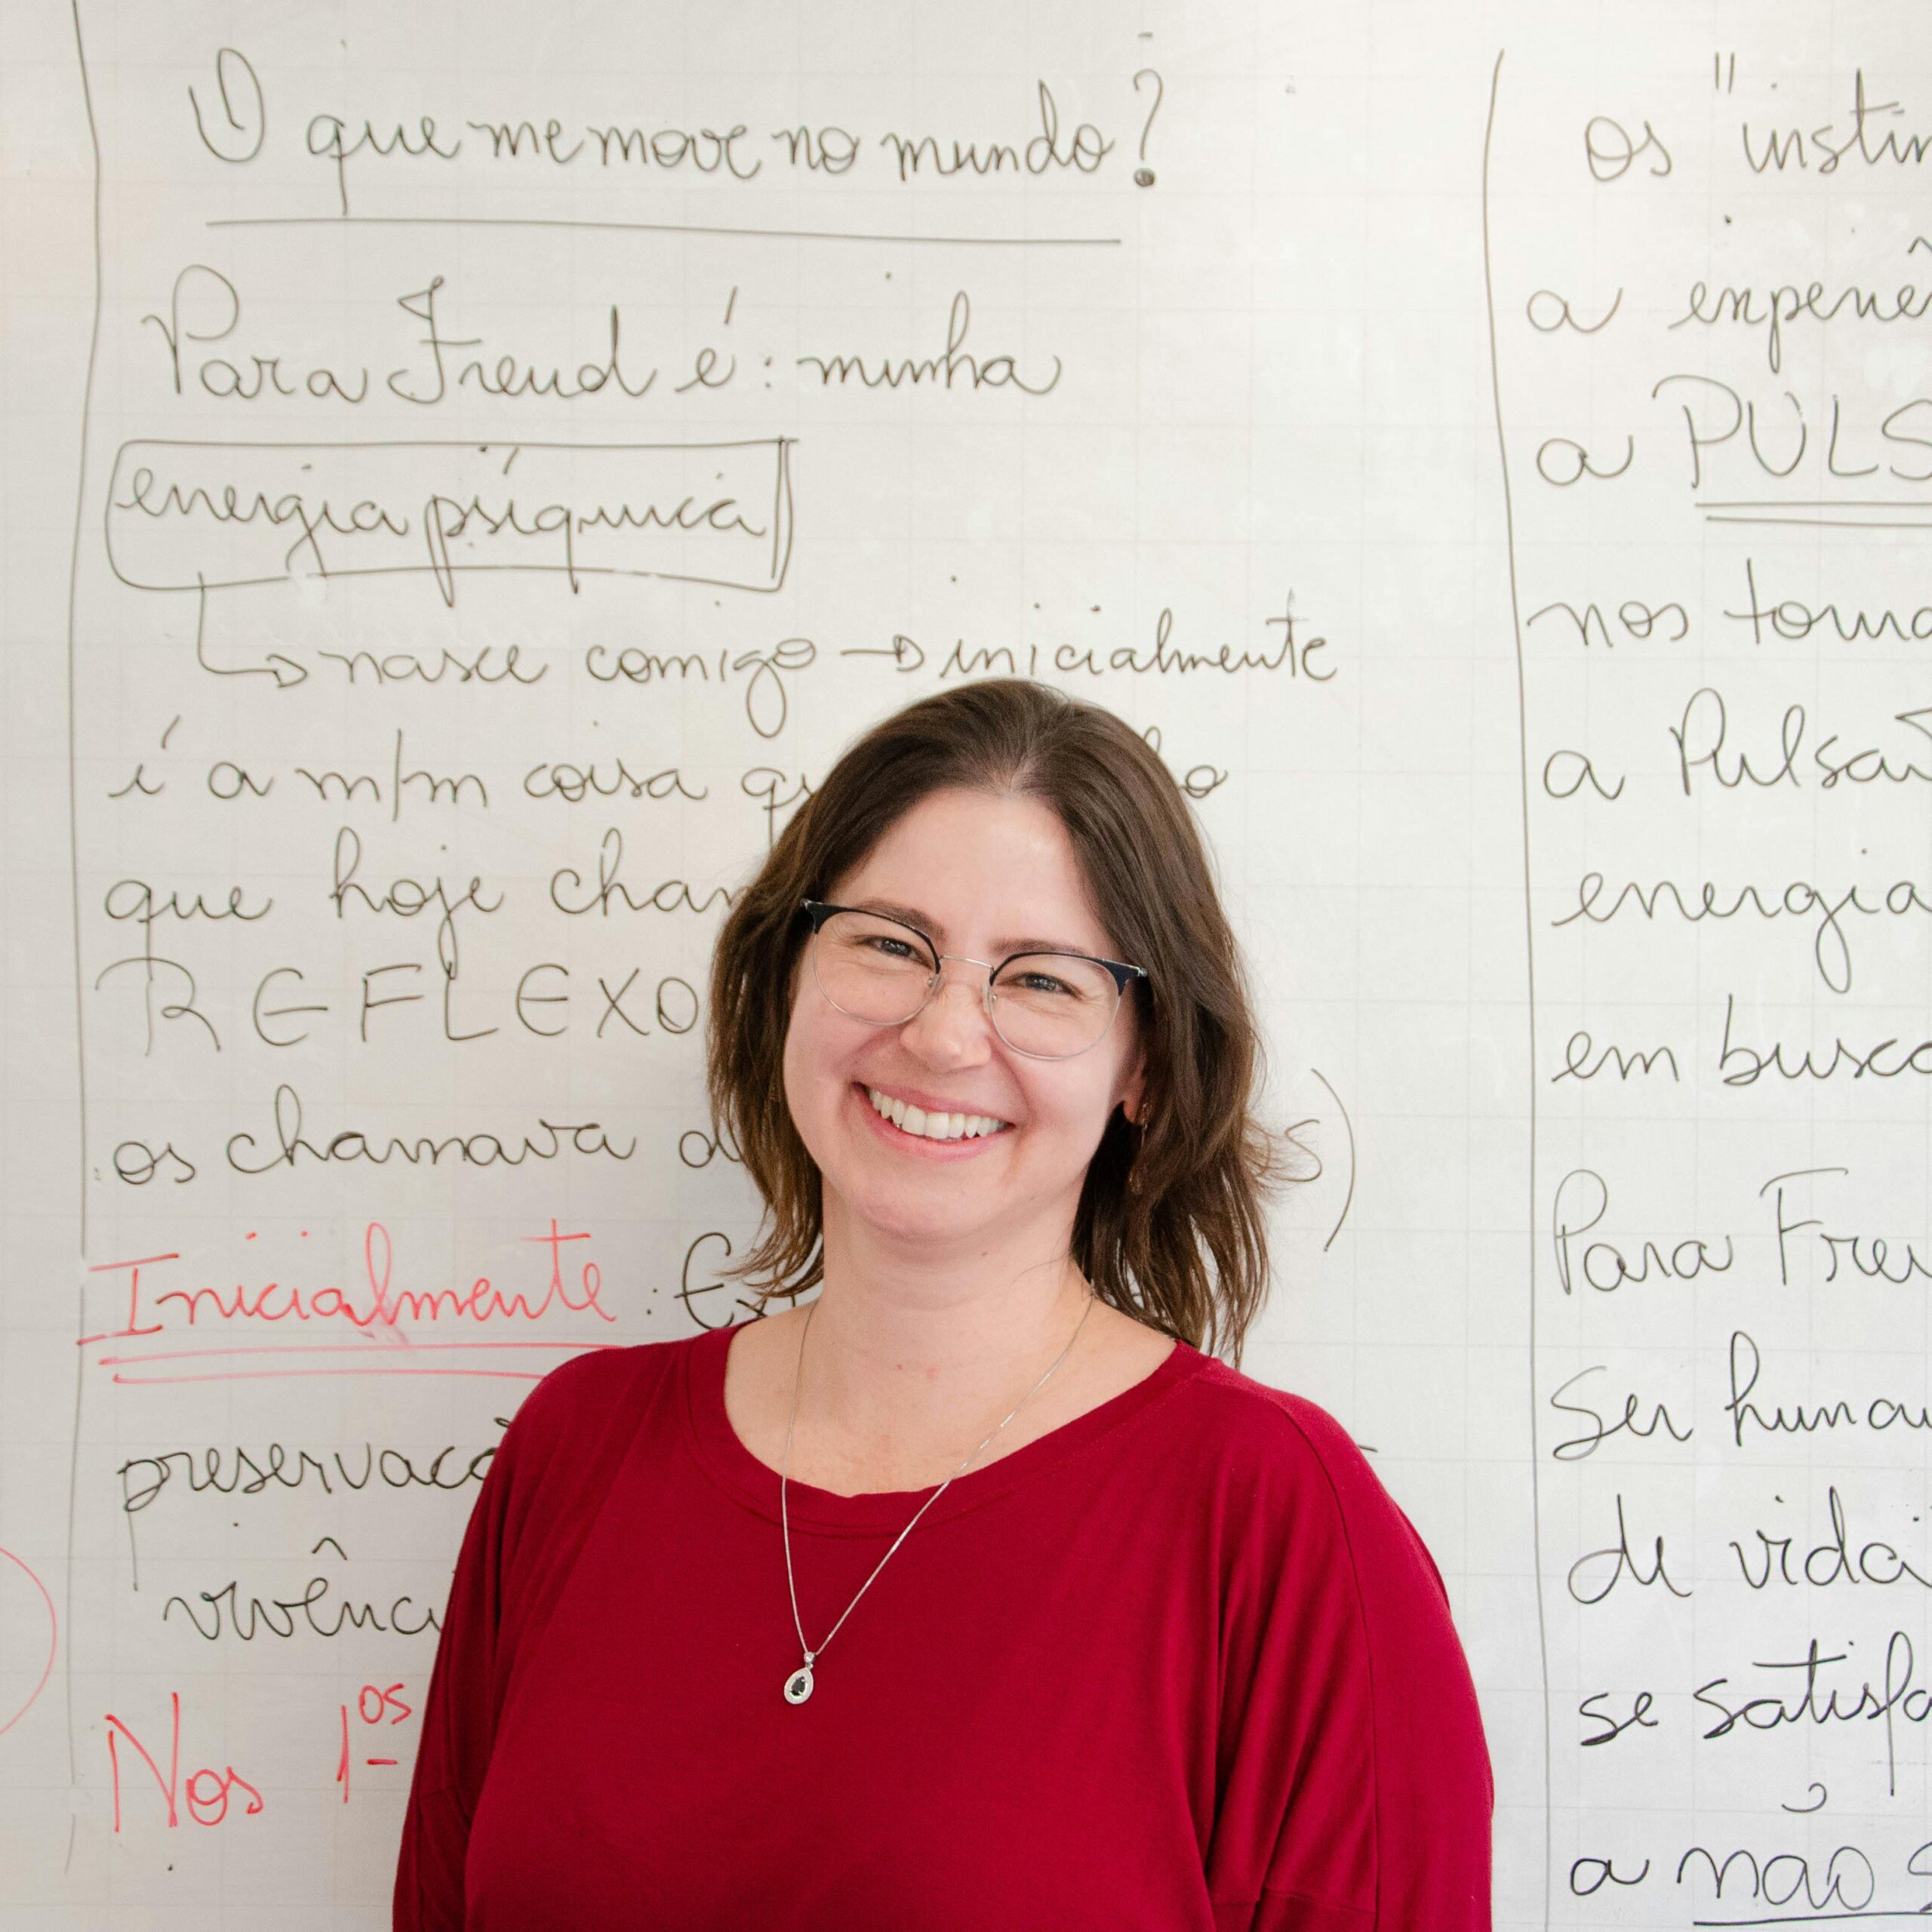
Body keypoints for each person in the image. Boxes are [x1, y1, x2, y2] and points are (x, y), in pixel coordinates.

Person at [393, 678, 1493, 1930]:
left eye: (1043, 981)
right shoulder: (576, 1449)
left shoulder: (1278, 1523)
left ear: (1143, 1066)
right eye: (888, 943)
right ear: (787, 975)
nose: (945, 1034)